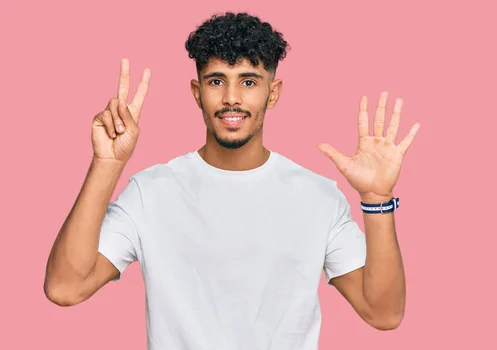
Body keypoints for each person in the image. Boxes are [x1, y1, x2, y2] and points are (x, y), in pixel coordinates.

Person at [44, 11, 420, 350]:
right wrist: (107, 163)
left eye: (249, 82)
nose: (231, 98)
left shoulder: (318, 197)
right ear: (197, 93)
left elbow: (383, 313)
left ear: (273, 94)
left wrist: (376, 197)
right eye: (216, 81)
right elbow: (65, 287)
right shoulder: (151, 192)